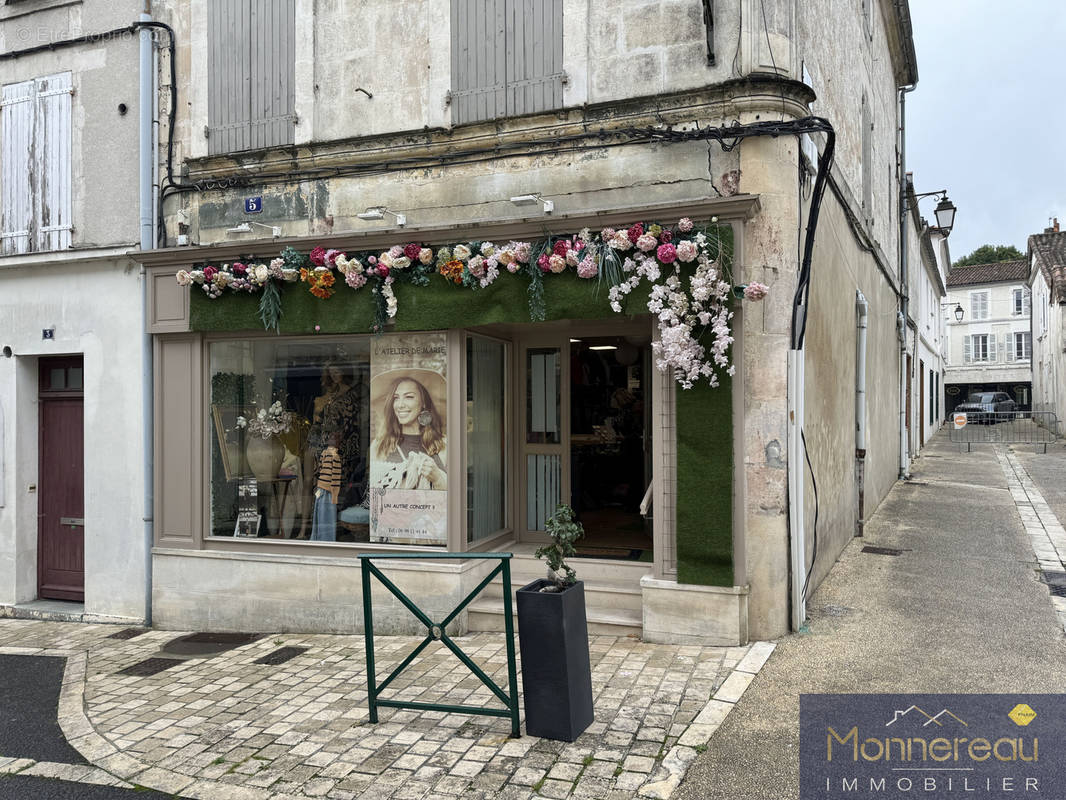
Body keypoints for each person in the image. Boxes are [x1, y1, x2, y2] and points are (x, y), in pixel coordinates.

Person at [371, 376, 447, 490]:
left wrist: (438, 479)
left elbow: (456, 495)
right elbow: (371, 493)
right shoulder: (379, 445)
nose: (400, 405)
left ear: (424, 403)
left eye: (409, 397)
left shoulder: (443, 444)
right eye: (396, 398)